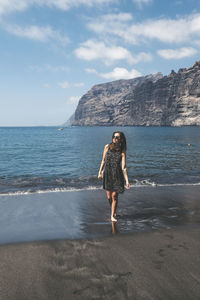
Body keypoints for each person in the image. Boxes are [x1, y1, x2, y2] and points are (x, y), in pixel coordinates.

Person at [98, 131, 130, 222]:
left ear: (120, 139)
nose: (115, 138)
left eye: (117, 137)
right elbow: (103, 161)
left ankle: (112, 215)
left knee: (114, 196)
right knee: (109, 197)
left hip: (117, 174)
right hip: (107, 173)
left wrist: (127, 181)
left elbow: (124, 167)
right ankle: (113, 210)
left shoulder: (122, 150)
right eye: (114, 136)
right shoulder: (107, 147)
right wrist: (100, 172)